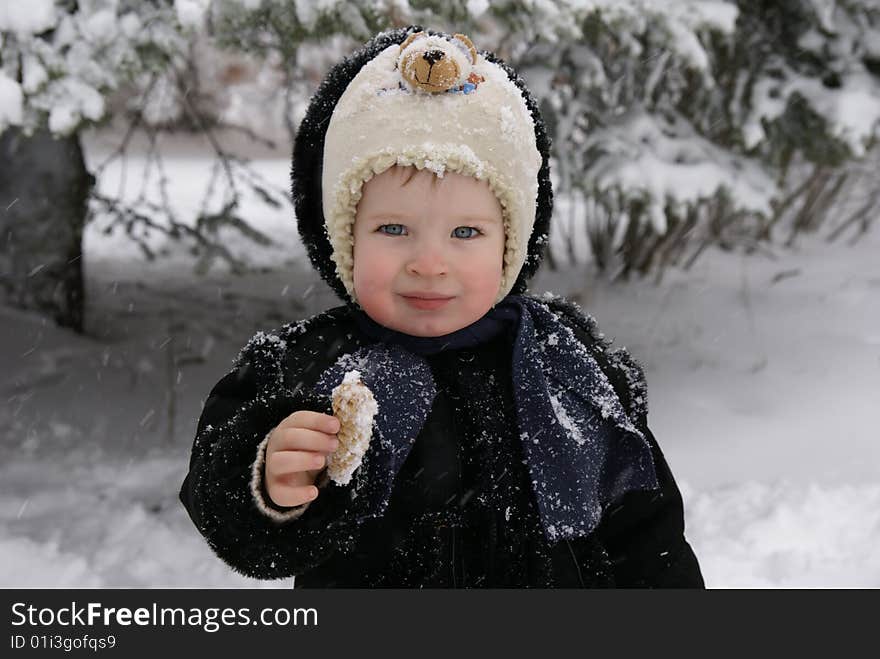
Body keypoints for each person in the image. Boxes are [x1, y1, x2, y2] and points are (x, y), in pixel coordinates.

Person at [179, 26, 705, 588]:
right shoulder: (309, 367)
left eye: (465, 232)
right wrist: (269, 482)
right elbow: (222, 498)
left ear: (512, 242)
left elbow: (646, 532)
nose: (429, 263)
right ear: (344, 238)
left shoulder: (565, 366)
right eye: (393, 228)